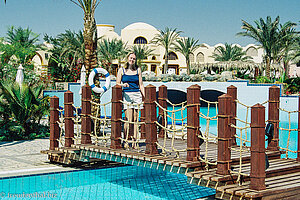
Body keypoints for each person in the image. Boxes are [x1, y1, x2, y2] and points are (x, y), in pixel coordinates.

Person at [116, 52, 145, 147]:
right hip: (127, 94)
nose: (132, 60)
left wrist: (145, 96)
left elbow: (141, 84)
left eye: (134, 59)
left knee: (136, 119)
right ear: (127, 58)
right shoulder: (122, 70)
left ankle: (135, 140)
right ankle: (126, 140)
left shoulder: (138, 70)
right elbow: (117, 83)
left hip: (137, 94)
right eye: (131, 58)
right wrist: (123, 85)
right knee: (128, 118)